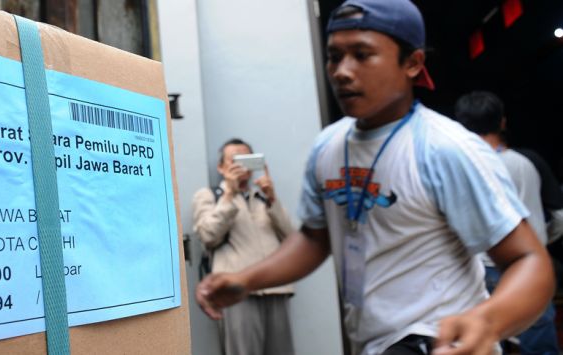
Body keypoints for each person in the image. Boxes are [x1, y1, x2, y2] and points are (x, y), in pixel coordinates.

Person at [195, 1, 555, 354]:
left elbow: (530, 262)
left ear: (413, 63)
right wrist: (245, 280)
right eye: (335, 56)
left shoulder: (445, 149)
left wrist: (487, 322)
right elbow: (314, 239)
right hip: (373, 341)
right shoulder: (328, 146)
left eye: (362, 55)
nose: (341, 71)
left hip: (436, 339)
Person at [455, 90, 562, 355]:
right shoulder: (528, 162)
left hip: (476, 270)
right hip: (530, 270)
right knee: (539, 346)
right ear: (502, 123)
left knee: (481, 344)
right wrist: (538, 242)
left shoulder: (454, 166)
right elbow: (559, 218)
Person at [192, 138, 296, 355]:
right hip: (236, 293)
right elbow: (208, 235)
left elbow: (293, 240)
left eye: (246, 159)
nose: (241, 166)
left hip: (276, 287)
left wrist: (272, 199)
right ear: (221, 167)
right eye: (234, 160)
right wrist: (229, 194)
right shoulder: (210, 196)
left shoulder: (262, 197)